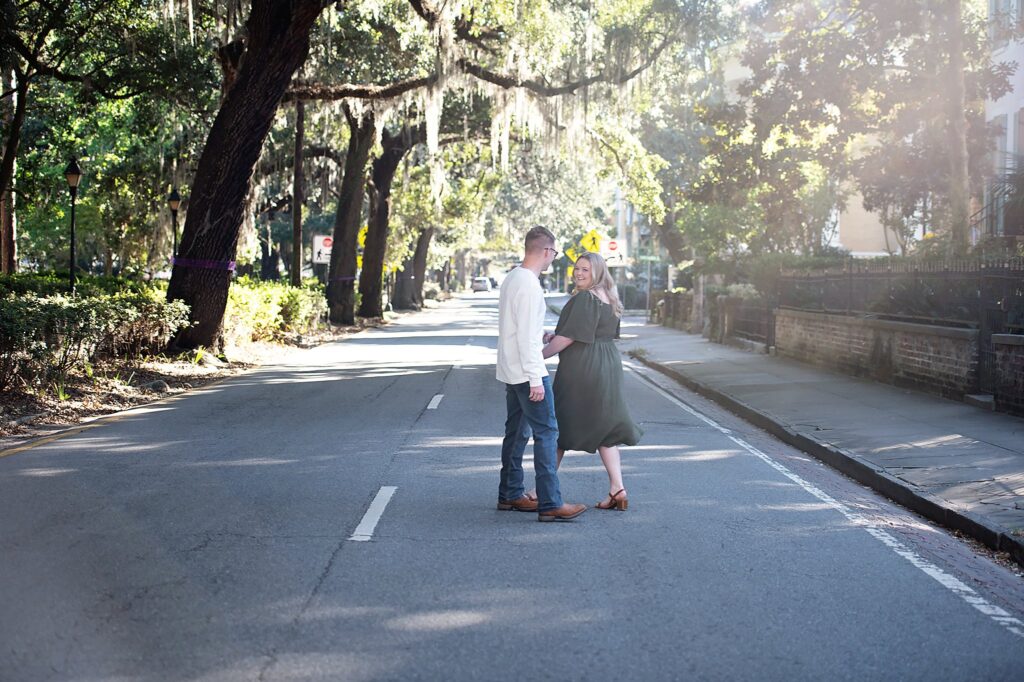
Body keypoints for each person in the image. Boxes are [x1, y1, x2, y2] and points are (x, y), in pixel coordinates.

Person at [496, 226, 587, 522]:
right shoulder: (530, 285)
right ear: (547, 251)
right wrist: (536, 378)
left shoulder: (513, 278)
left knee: (516, 432)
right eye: (554, 253)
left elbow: (520, 332)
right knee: (547, 433)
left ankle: (510, 494)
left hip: (512, 370)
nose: (553, 259)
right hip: (527, 372)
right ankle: (550, 502)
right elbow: (524, 337)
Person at [542, 251, 642, 511]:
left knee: (558, 425)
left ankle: (541, 490)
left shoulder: (586, 298)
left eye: (585, 269)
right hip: (607, 363)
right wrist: (557, 334)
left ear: (597, 272)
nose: (578, 273)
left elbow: (570, 339)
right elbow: (592, 331)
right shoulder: (609, 297)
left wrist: (538, 357)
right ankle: (617, 488)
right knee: (605, 428)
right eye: (577, 268)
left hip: (583, 367)